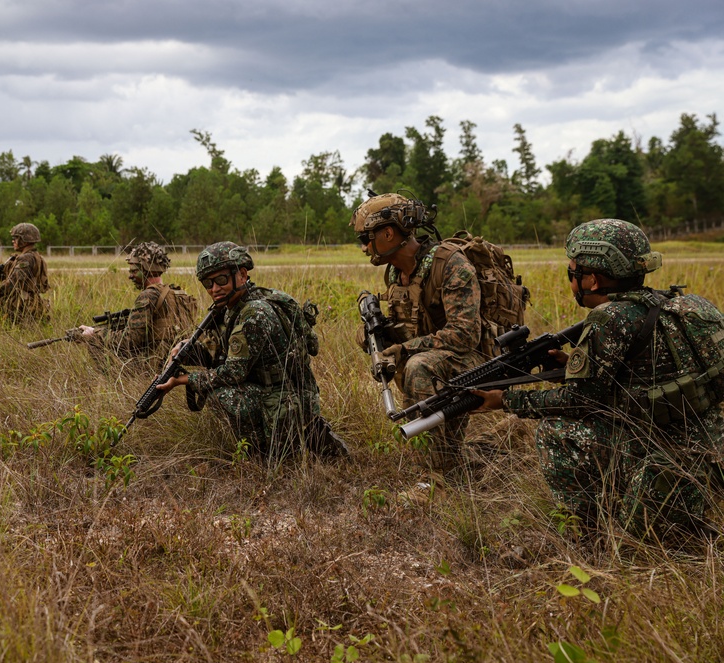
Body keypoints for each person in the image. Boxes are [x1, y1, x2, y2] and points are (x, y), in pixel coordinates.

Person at [474, 219, 724, 542]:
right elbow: (645, 383)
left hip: (667, 459)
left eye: (572, 273)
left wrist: (505, 400)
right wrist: (572, 369)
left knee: (555, 432)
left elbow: (580, 402)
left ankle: (589, 533)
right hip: (711, 450)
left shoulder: (611, 318)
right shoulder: (678, 305)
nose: (572, 281)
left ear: (592, 280)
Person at [155, 241, 347, 461]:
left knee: (221, 395)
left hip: (286, 398)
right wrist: (190, 350)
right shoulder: (234, 306)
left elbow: (232, 373)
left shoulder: (254, 313)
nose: (214, 289)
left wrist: (185, 380)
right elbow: (220, 352)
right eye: (208, 283)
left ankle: (267, 451)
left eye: (221, 280)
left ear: (242, 274)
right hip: (278, 391)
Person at [352, 192, 482, 473]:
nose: (363, 248)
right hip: (438, 361)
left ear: (388, 233)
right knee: (415, 364)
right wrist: (377, 337)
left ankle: (433, 478)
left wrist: (407, 349)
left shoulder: (451, 265)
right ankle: (443, 460)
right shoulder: (396, 273)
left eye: (365, 239)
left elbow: (465, 335)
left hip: (476, 362)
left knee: (417, 365)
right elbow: (410, 327)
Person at [76, 242, 198, 366]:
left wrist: (95, 333)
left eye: (134, 271)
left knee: (94, 341)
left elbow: (130, 340)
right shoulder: (178, 293)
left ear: (146, 269)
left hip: (155, 363)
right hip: (179, 360)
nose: (130, 276)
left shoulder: (148, 295)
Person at [0, 223, 50, 323]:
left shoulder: (26, 258)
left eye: (16, 238)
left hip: (23, 304)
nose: (13, 241)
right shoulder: (34, 256)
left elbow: (12, 284)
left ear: (24, 240)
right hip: (29, 301)